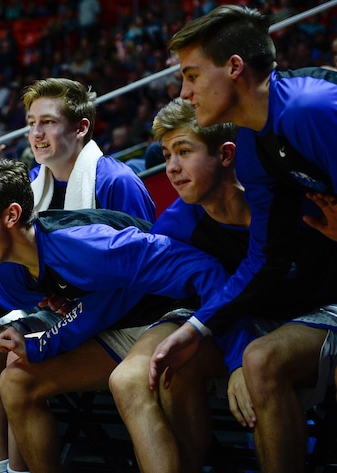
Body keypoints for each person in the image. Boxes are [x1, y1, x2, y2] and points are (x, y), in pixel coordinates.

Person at [0, 158, 229, 473]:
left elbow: (200, 266)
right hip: (120, 326)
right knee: (16, 381)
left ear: (11, 215)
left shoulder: (88, 245)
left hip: (170, 309)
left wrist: (235, 346)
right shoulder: (13, 270)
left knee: (127, 381)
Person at [148, 6, 337, 472]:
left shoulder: (312, 109)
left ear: (234, 67)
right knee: (259, 360)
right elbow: (265, 258)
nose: (184, 93)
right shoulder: (254, 141)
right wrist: (196, 328)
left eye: (191, 75)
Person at [0, 77, 157, 472]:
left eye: (49, 123)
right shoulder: (33, 184)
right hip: (66, 312)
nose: (36, 134)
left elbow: (139, 278)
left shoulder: (116, 181)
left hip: (123, 320)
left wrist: (56, 319)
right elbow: (12, 270)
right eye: (31, 122)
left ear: (81, 128)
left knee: (14, 368)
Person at [109, 97, 249, 472]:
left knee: (262, 363)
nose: (171, 167)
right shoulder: (173, 225)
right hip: (216, 320)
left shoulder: (270, 197)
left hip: (285, 314)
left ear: (225, 154)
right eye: (167, 154)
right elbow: (133, 285)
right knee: (164, 366)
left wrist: (240, 361)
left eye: (183, 152)